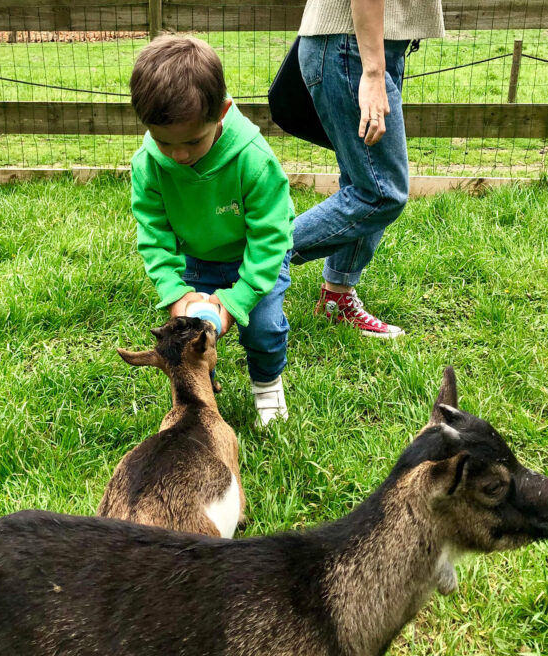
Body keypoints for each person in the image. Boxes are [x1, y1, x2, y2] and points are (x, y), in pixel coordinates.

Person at [129, 35, 295, 425]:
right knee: (189, 338)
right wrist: (176, 292)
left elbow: (270, 239)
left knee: (264, 327)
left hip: (253, 255)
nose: (179, 155)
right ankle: (202, 394)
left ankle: (267, 385)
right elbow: (154, 235)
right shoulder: (148, 164)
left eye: (191, 141)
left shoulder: (253, 161)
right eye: (163, 141)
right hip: (198, 258)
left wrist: (237, 302)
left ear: (222, 111)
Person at [292, 0, 445, 337]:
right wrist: (373, 71)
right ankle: (254, 256)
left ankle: (337, 300)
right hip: (355, 49)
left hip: (364, 45)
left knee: (364, 179)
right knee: (380, 192)